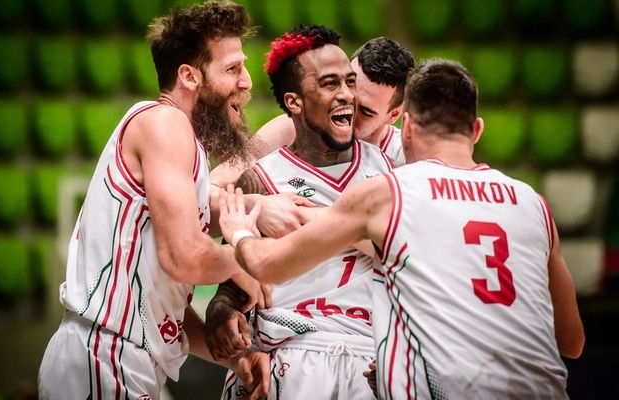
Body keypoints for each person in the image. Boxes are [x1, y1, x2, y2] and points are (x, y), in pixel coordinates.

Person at [219, 59, 585, 399]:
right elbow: (572, 342)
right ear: (477, 130)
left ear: (405, 127)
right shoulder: (534, 204)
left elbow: (268, 264)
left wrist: (238, 229)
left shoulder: (392, 193)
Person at [38, 2, 271, 399]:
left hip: (118, 358)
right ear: (189, 76)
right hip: (105, 355)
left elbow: (161, 307)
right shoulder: (165, 122)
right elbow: (186, 258)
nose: (247, 82)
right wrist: (252, 258)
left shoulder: (181, 144)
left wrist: (234, 357)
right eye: (233, 69)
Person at [205, 25, 394, 399]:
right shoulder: (260, 179)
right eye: (329, 84)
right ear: (294, 102)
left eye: (350, 82)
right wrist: (221, 314)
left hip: (369, 360)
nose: (347, 94)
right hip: (288, 355)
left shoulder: (392, 173)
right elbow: (234, 286)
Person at [210, 37, 414, 188]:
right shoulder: (292, 128)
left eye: (366, 111)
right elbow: (214, 186)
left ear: (393, 115)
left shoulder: (406, 157)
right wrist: (256, 205)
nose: (347, 107)